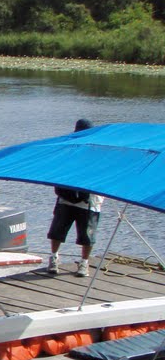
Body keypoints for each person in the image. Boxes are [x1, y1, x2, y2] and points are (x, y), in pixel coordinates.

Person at [47, 118, 102, 277]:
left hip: (89, 201)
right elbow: (58, 171)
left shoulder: (98, 153)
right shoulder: (68, 150)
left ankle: (84, 263)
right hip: (67, 197)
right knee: (57, 231)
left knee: (87, 235)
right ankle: (54, 257)